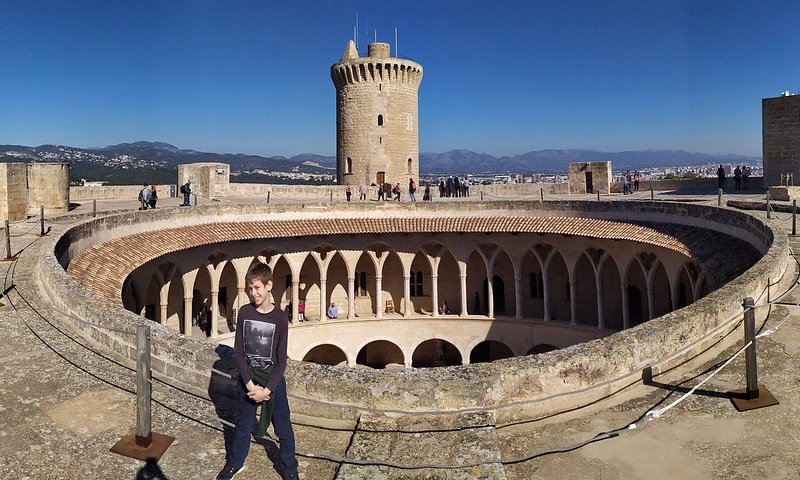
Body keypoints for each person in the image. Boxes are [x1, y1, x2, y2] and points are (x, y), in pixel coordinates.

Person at [217, 263, 299, 480]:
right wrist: (251, 385)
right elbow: (239, 352)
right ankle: (236, 463)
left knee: (283, 430)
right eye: (250, 289)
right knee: (243, 427)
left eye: (257, 288)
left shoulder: (280, 318)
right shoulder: (245, 312)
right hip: (249, 380)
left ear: (269, 285)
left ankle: (290, 470)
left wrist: (267, 390)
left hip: (273, 380)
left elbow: (281, 361)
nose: (254, 293)